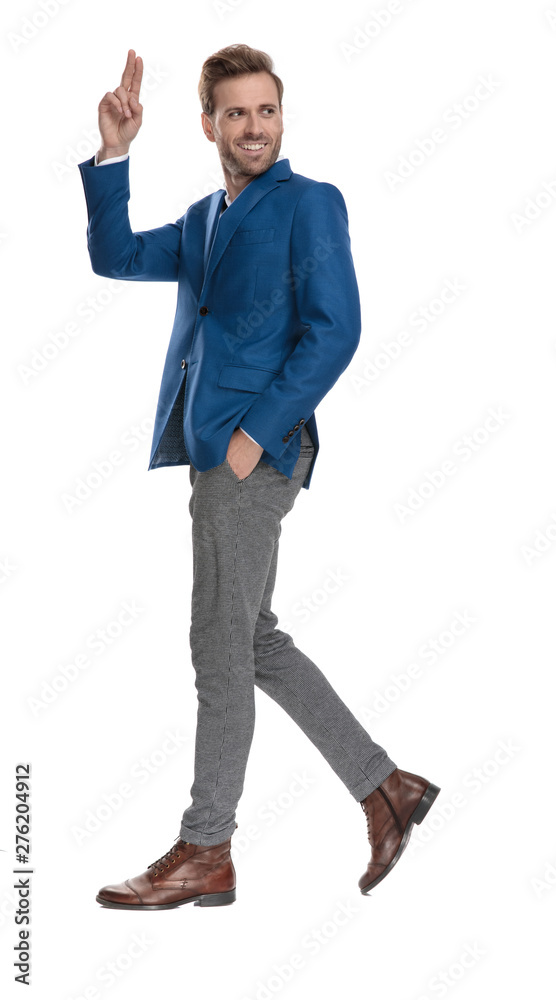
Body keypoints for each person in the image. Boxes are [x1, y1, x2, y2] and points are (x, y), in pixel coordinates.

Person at [78, 45, 439, 910]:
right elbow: (115, 256)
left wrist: (252, 436)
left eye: (265, 111)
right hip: (215, 449)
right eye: (235, 113)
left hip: (251, 451)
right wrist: (114, 155)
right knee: (250, 640)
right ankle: (386, 788)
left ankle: (206, 847)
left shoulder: (309, 203)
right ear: (207, 125)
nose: (253, 127)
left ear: (281, 118)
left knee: (217, 646)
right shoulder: (204, 218)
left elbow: (334, 329)